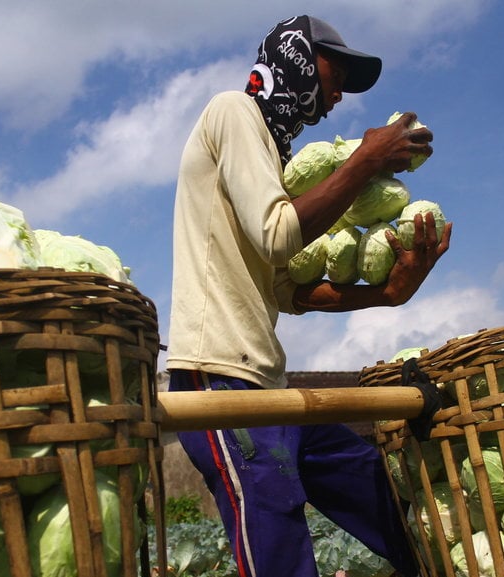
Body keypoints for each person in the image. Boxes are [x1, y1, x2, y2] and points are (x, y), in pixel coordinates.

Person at [165, 14, 452, 577]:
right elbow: (279, 237)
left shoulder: (272, 156)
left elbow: (286, 290)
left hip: (267, 383)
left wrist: (386, 295)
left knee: (382, 496)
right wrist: (364, 161)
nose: (337, 94)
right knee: (281, 556)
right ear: (295, 56)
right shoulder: (232, 112)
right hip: (216, 381)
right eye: (334, 73)